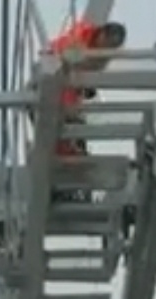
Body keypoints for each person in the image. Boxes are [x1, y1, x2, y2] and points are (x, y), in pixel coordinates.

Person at [45, 18, 126, 198]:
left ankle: (70, 177)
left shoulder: (102, 52)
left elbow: (87, 71)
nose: (109, 50)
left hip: (70, 88)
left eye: (113, 48)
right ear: (102, 34)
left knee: (72, 134)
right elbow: (69, 58)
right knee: (63, 129)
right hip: (54, 79)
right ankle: (62, 176)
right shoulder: (82, 34)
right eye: (109, 44)